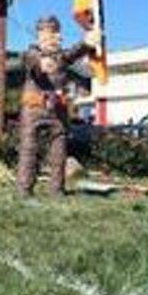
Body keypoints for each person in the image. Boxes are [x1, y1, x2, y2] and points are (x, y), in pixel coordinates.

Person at [16, 16, 99, 196]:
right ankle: (24, 189)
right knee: (29, 150)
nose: (54, 38)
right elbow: (31, 59)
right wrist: (41, 61)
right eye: (47, 34)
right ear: (39, 36)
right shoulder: (30, 53)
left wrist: (87, 42)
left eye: (55, 33)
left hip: (57, 111)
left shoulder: (62, 57)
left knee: (59, 152)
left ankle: (57, 189)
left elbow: (74, 52)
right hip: (33, 109)